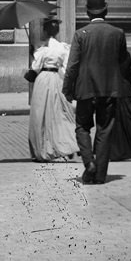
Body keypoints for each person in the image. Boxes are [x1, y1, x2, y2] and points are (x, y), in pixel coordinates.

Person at [62, 0, 131, 185]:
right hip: (110, 90)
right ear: (106, 10)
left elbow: (72, 66)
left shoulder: (80, 35)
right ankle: (100, 174)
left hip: (85, 89)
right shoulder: (117, 33)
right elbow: (124, 63)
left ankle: (89, 162)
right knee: (105, 129)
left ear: (87, 13)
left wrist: (67, 89)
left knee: (82, 127)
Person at [27, 16, 77, 162]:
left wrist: (32, 54)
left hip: (43, 80)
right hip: (57, 79)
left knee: (40, 113)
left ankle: (42, 147)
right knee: (58, 113)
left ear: (45, 30)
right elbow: (66, 68)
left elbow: (35, 69)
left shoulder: (42, 49)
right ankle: (61, 145)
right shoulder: (63, 47)